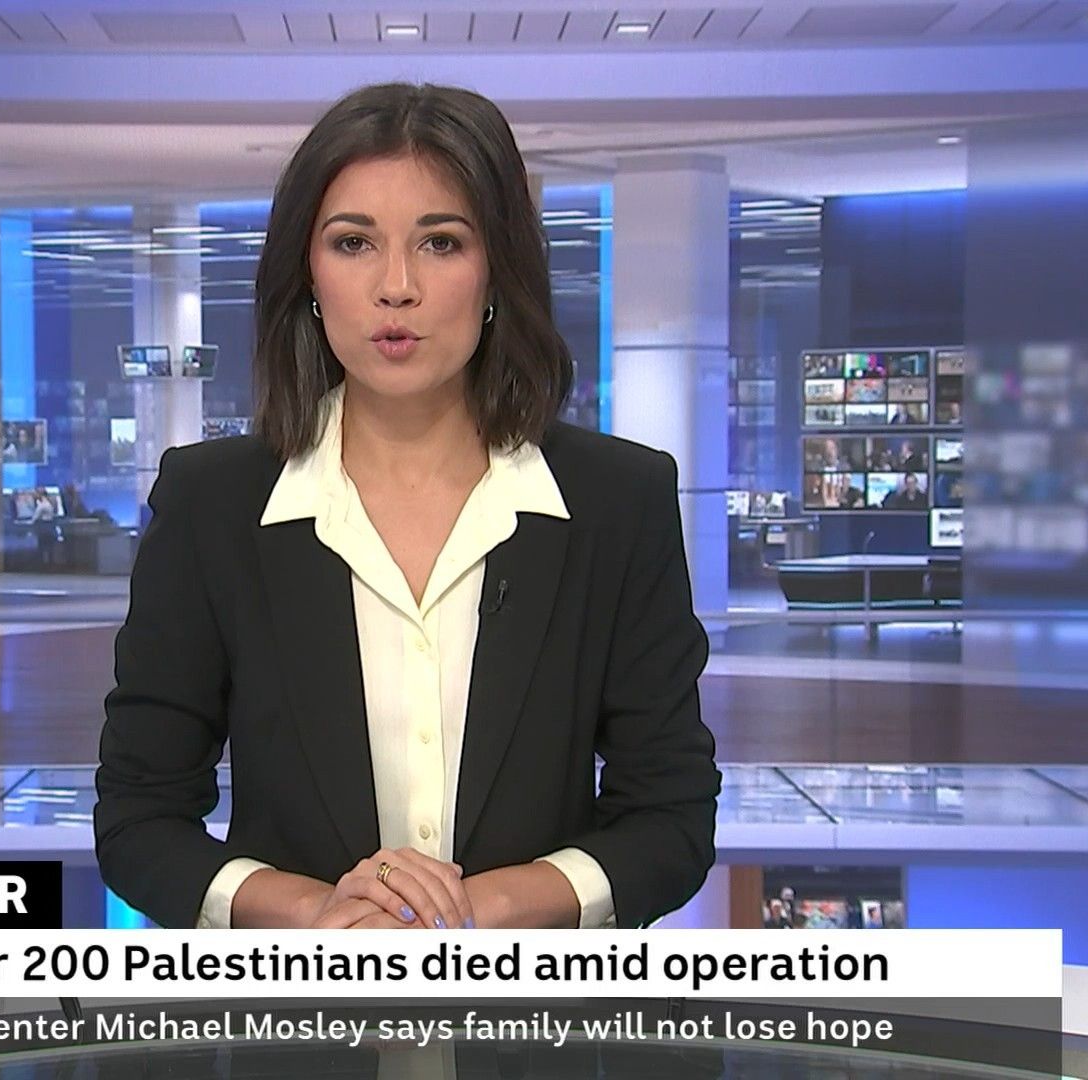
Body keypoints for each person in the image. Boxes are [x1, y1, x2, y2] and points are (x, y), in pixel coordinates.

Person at [96, 82, 719, 932]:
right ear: (308, 273)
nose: (396, 287)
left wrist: (473, 908)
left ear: (497, 268)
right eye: (353, 243)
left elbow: (671, 820)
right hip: (298, 1005)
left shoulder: (618, 502)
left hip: (537, 1007)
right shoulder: (212, 505)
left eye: (441, 242)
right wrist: (318, 911)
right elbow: (138, 819)